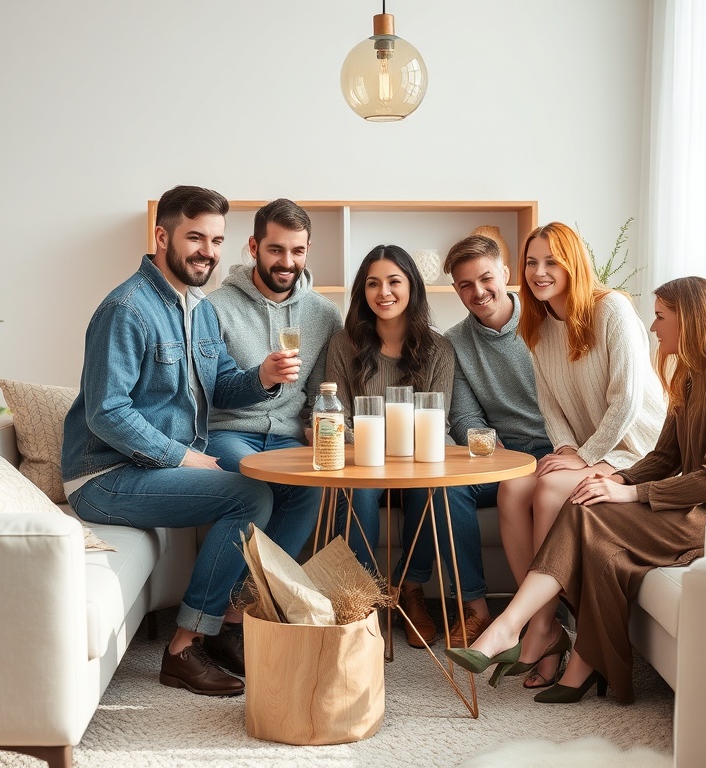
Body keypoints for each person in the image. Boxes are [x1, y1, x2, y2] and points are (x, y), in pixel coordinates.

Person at [447, 276, 706, 705]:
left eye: (660, 317)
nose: (653, 327)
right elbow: (664, 457)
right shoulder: (691, 377)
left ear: (691, 320)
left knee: (588, 514)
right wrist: (617, 480)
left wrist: (632, 495)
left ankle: (512, 628)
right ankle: (575, 656)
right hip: (696, 501)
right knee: (588, 507)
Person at [62, 185, 302, 697]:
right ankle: (183, 648)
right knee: (249, 496)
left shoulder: (200, 308)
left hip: (150, 469)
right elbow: (107, 413)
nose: (207, 252)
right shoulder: (126, 308)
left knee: (279, 487)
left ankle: (226, 624)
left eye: (216, 240)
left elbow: (221, 387)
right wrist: (185, 457)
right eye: (195, 238)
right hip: (104, 477)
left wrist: (262, 376)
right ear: (161, 236)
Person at [496, 221, 666, 689]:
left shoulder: (612, 310)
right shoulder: (536, 325)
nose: (539, 272)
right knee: (512, 488)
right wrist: (569, 449)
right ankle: (548, 627)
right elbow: (549, 405)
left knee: (550, 488)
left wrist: (586, 456)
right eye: (532, 262)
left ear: (574, 264)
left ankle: (539, 627)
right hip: (592, 449)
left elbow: (627, 400)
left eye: (551, 261)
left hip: (640, 448)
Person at [324, 244, 459, 648]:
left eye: (394, 281)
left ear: (412, 286)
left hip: (415, 460)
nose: (383, 292)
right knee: (361, 490)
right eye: (373, 283)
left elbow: (436, 422)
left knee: (431, 482)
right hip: (362, 461)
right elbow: (337, 419)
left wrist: (393, 451)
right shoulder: (343, 344)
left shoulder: (439, 349)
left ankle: (410, 587)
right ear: (362, 292)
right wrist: (374, 451)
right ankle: (362, 597)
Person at [205, 199, 344, 561]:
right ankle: (240, 591)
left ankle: (258, 591)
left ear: (308, 249)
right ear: (254, 247)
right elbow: (208, 391)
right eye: (276, 249)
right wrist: (261, 378)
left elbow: (320, 393)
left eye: (298, 251)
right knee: (252, 482)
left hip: (286, 437)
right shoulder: (214, 308)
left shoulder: (326, 314)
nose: (287, 262)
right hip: (229, 432)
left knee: (309, 490)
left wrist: (316, 428)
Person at [440, 234, 555, 646]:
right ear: (456, 289)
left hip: (558, 449)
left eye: (486, 278)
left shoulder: (547, 322)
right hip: (502, 456)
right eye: (465, 285)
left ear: (505, 273)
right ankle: (475, 608)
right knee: (446, 488)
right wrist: (494, 449)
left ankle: (539, 619)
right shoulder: (454, 342)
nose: (478, 291)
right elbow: (464, 417)